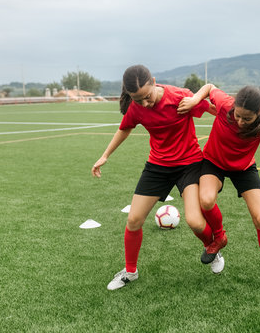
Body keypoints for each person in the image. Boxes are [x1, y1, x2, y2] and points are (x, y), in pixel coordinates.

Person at [91, 65, 224, 291]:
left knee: (194, 221)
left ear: (153, 81)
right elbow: (125, 128)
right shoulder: (136, 107)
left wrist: (234, 120)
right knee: (133, 220)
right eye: (138, 99)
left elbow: (216, 110)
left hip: (189, 164)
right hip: (158, 166)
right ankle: (130, 272)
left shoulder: (179, 97)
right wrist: (105, 155)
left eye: (147, 97)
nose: (145, 104)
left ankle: (213, 248)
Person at [178, 85, 260, 293]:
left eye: (247, 119)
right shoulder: (226, 103)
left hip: (244, 168)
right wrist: (194, 99)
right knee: (206, 200)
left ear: (259, 114)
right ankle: (219, 237)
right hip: (213, 162)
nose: (240, 122)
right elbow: (209, 88)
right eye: (238, 116)